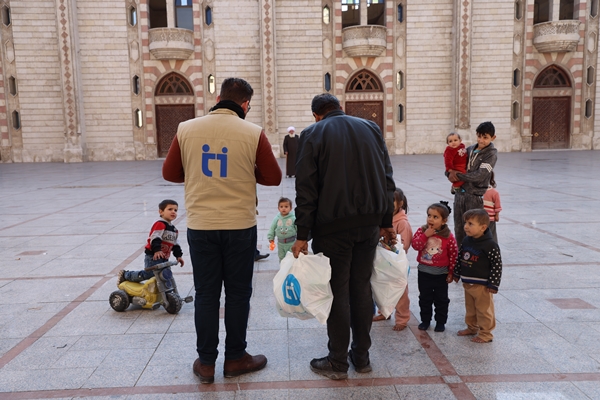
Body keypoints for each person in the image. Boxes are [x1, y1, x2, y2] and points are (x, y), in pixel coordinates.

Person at [162, 77, 282, 384]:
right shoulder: (253, 132)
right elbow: (273, 177)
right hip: (240, 226)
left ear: (218, 97)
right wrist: (245, 170)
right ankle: (235, 358)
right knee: (239, 294)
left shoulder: (186, 128)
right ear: (245, 105)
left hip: (201, 226)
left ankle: (205, 363)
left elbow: (169, 173)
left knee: (206, 295)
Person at [291, 93, 396, 380]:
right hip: (369, 226)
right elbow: (387, 177)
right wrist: (386, 221)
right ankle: (361, 357)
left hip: (333, 228)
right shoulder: (371, 128)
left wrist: (302, 234)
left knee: (338, 291)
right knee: (361, 289)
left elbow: (306, 189)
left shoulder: (312, 133)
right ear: (340, 108)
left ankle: (337, 361)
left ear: (316, 115)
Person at [453, 208, 502, 343]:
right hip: (468, 282)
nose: (466, 226)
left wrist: (493, 284)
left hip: (482, 285)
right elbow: (460, 257)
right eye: (465, 223)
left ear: (483, 227)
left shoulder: (490, 245)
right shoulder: (467, 241)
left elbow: (497, 265)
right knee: (471, 309)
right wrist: (456, 273)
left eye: (470, 224)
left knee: (483, 310)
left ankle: (486, 334)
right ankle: (472, 327)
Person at [448, 121, 497, 246]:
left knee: (475, 231)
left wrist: (458, 176)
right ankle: (462, 258)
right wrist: (449, 174)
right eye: (479, 136)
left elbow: (480, 175)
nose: (481, 140)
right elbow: (453, 165)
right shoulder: (468, 150)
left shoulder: (491, 154)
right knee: (459, 228)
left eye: (485, 138)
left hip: (475, 198)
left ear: (493, 138)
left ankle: (477, 259)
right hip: (460, 196)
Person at [411, 201, 458, 333]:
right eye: (429, 215)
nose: (431, 219)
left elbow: (454, 255)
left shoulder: (448, 236)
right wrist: (425, 236)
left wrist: (451, 273)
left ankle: (440, 322)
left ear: (444, 221)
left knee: (441, 300)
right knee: (424, 298)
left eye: (435, 217)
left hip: (441, 274)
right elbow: (416, 245)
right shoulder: (422, 230)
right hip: (424, 272)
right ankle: (425, 320)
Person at [373, 188, 413, 332]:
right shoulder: (383, 219)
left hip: (396, 264)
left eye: (392, 201)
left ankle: (402, 318)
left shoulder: (402, 223)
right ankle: (384, 312)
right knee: (382, 288)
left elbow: (405, 244)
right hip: (383, 263)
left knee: (400, 292)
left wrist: (390, 244)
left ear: (400, 203)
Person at [117, 199, 184, 285]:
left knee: (165, 275)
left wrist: (178, 256)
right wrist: (157, 250)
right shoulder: (160, 223)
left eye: (175, 210)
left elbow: (175, 244)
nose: (173, 212)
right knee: (150, 274)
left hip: (164, 257)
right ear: (161, 211)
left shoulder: (174, 229)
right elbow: (155, 238)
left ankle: (166, 293)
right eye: (170, 209)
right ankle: (126, 275)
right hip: (154, 256)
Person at [267, 197, 297, 262]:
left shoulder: (293, 218)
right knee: (281, 256)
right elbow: (272, 228)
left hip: (291, 242)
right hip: (281, 243)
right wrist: (271, 237)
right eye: (281, 206)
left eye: (286, 206)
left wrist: (299, 239)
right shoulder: (277, 218)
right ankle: (282, 269)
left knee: (291, 257)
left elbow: (297, 228)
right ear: (278, 208)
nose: (283, 208)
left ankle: (291, 269)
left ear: (290, 208)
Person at [483, 171, 502, 243]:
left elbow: (497, 206)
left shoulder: (494, 192)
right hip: (480, 218)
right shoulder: (478, 191)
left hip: (490, 219)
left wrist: (496, 215)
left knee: (491, 234)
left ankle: (493, 247)